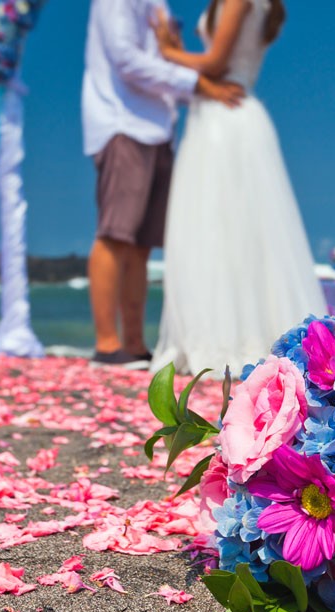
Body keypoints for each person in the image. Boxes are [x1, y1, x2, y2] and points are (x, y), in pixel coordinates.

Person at [151, 0, 327, 375]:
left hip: (223, 121)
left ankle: (222, 340)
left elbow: (215, 63)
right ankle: (243, 337)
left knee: (216, 231)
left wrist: (168, 52)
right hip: (231, 115)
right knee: (242, 235)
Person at [82, 0, 245, 367]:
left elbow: (162, 61)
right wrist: (198, 84)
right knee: (115, 233)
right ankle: (107, 344)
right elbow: (125, 59)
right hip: (124, 121)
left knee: (141, 244)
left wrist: (193, 87)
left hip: (158, 127)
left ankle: (135, 343)